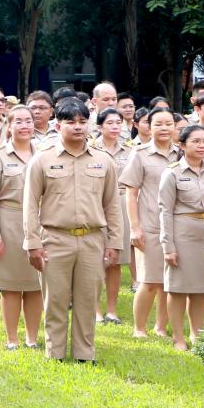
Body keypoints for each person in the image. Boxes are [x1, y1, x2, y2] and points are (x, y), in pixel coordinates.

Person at [23, 99, 121, 363]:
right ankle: (54, 353)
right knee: (54, 300)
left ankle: (84, 354)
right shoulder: (42, 160)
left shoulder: (104, 161)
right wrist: (32, 243)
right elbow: (30, 205)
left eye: (82, 121)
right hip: (55, 238)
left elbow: (113, 205)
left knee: (88, 300)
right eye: (70, 122)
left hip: (92, 240)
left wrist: (115, 243)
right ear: (58, 125)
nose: (77, 127)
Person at [0, 105, 42, 349]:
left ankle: (32, 338)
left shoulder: (44, 153)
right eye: (18, 121)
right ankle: (12, 338)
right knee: (10, 286)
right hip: (8, 222)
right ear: (9, 125)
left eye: (28, 120)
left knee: (36, 285)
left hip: (39, 224)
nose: (24, 125)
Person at [120, 107, 179, 338]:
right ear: (148, 127)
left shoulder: (181, 153)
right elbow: (131, 193)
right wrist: (135, 228)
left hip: (177, 227)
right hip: (150, 225)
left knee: (169, 281)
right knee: (149, 280)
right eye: (158, 124)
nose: (164, 128)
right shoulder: (140, 154)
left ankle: (161, 327)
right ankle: (139, 328)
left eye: (168, 124)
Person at [160, 125, 204, 350]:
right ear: (182, 145)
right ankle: (178, 337)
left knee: (200, 288)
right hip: (182, 234)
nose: (202, 146)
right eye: (196, 141)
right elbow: (165, 211)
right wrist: (168, 245)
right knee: (178, 288)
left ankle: (196, 336)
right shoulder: (172, 172)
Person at [93, 108, 133, 325]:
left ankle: (111, 309)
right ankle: (96, 309)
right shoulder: (91, 148)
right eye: (110, 123)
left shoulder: (130, 150)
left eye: (119, 123)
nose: (115, 127)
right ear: (100, 126)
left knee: (115, 259)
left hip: (121, 203)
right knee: (95, 259)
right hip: (96, 204)